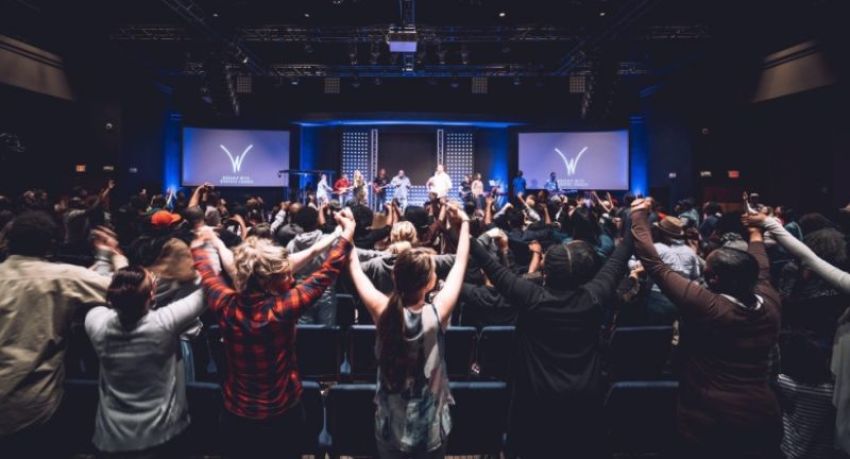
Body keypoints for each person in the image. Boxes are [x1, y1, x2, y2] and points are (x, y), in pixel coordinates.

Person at [469, 203, 634, 458]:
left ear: (546, 273)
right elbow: (620, 256)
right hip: (584, 400)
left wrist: (465, 233)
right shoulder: (594, 296)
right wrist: (638, 218)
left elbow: (493, 268)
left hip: (535, 402)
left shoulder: (531, 297)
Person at [191, 210, 355, 459]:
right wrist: (347, 233)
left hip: (236, 412)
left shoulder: (224, 304)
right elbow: (327, 272)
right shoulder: (282, 308)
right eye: (285, 275)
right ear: (267, 282)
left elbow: (207, 273)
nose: (291, 277)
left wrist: (201, 244)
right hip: (283, 413)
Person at [632, 199, 781, 458]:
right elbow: (762, 264)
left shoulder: (709, 307)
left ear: (713, 279)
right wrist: (756, 232)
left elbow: (654, 264)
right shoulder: (770, 302)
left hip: (709, 418)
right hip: (762, 413)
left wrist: (638, 215)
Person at [348, 203, 471, 459]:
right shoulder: (436, 314)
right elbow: (460, 262)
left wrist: (347, 232)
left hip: (389, 427)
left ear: (395, 278)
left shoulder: (383, 311)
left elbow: (353, 265)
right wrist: (465, 223)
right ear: (430, 283)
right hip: (431, 430)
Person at [0, 212, 125, 458]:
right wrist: (114, 254)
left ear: (8, 241)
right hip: (32, 408)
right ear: (50, 245)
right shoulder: (62, 276)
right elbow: (125, 290)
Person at [84, 264, 206, 457]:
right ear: (151, 296)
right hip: (162, 434)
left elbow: (98, 296)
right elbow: (208, 293)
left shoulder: (96, 322)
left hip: (113, 437)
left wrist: (109, 261)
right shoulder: (163, 323)